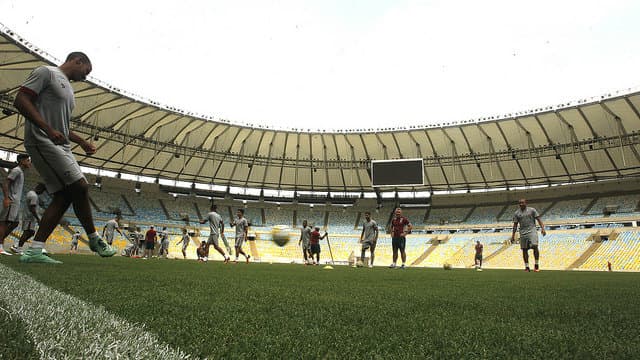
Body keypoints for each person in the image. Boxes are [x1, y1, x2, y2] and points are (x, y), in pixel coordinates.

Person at [13, 52, 116, 263]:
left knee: (64, 196)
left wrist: (81, 141)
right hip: (42, 140)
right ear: (77, 61)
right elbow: (20, 100)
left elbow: (63, 126)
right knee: (80, 186)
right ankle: (95, 237)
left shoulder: (69, 90)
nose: (85, 77)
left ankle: (35, 250)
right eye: (86, 72)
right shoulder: (47, 72)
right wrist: (47, 129)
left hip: (60, 144)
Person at [0, 154, 31, 256]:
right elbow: (5, 183)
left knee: (15, 223)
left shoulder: (20, 172)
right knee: (4, 223)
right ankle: (0, 247)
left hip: (16, 202)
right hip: (11, 201)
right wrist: (6, 198)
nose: (29, 162)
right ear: (21, 161)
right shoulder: (16, 170)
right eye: (27, 160)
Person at [511, 199, 546, 272]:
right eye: (519, 203)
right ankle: (527, 267)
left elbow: (539, 219)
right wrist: (513, 236)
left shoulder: (532, 210)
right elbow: (515, 225)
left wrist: (543, 228)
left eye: (522, 203)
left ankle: (536, 265)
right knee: (524, 249)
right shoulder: (516, 213)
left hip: (532, 230)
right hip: (522, 232)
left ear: (526, 203)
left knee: (534, 245)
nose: (521, 204)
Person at [10, 182, 46, 254]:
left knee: (31, 232)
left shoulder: (30, 193)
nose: (42, 193)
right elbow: (32, 208)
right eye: (43, 191)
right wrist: (38, 219)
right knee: (27, 232)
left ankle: (17, 246)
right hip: (29, 217)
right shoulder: (34, 196)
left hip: (27, 216)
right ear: (40, 188)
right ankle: (18, 248)